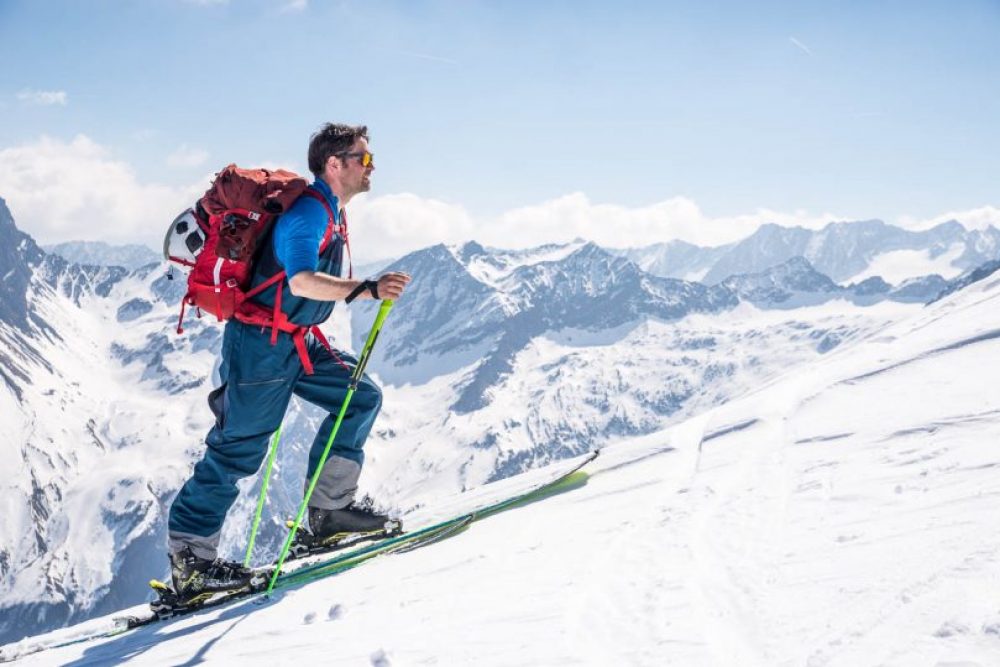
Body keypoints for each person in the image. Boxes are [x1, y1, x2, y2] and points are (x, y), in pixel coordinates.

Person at [166, 123, 411, 597]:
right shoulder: (309, 213)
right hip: (260, 347)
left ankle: (328, 513)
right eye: (363, 158)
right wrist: (367, 289)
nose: (371, 166)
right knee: (237, 449)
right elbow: (300, 281)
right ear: (334, 164)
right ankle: (192, 561)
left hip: (296, 340)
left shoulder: (331, 211)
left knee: (359, 398)